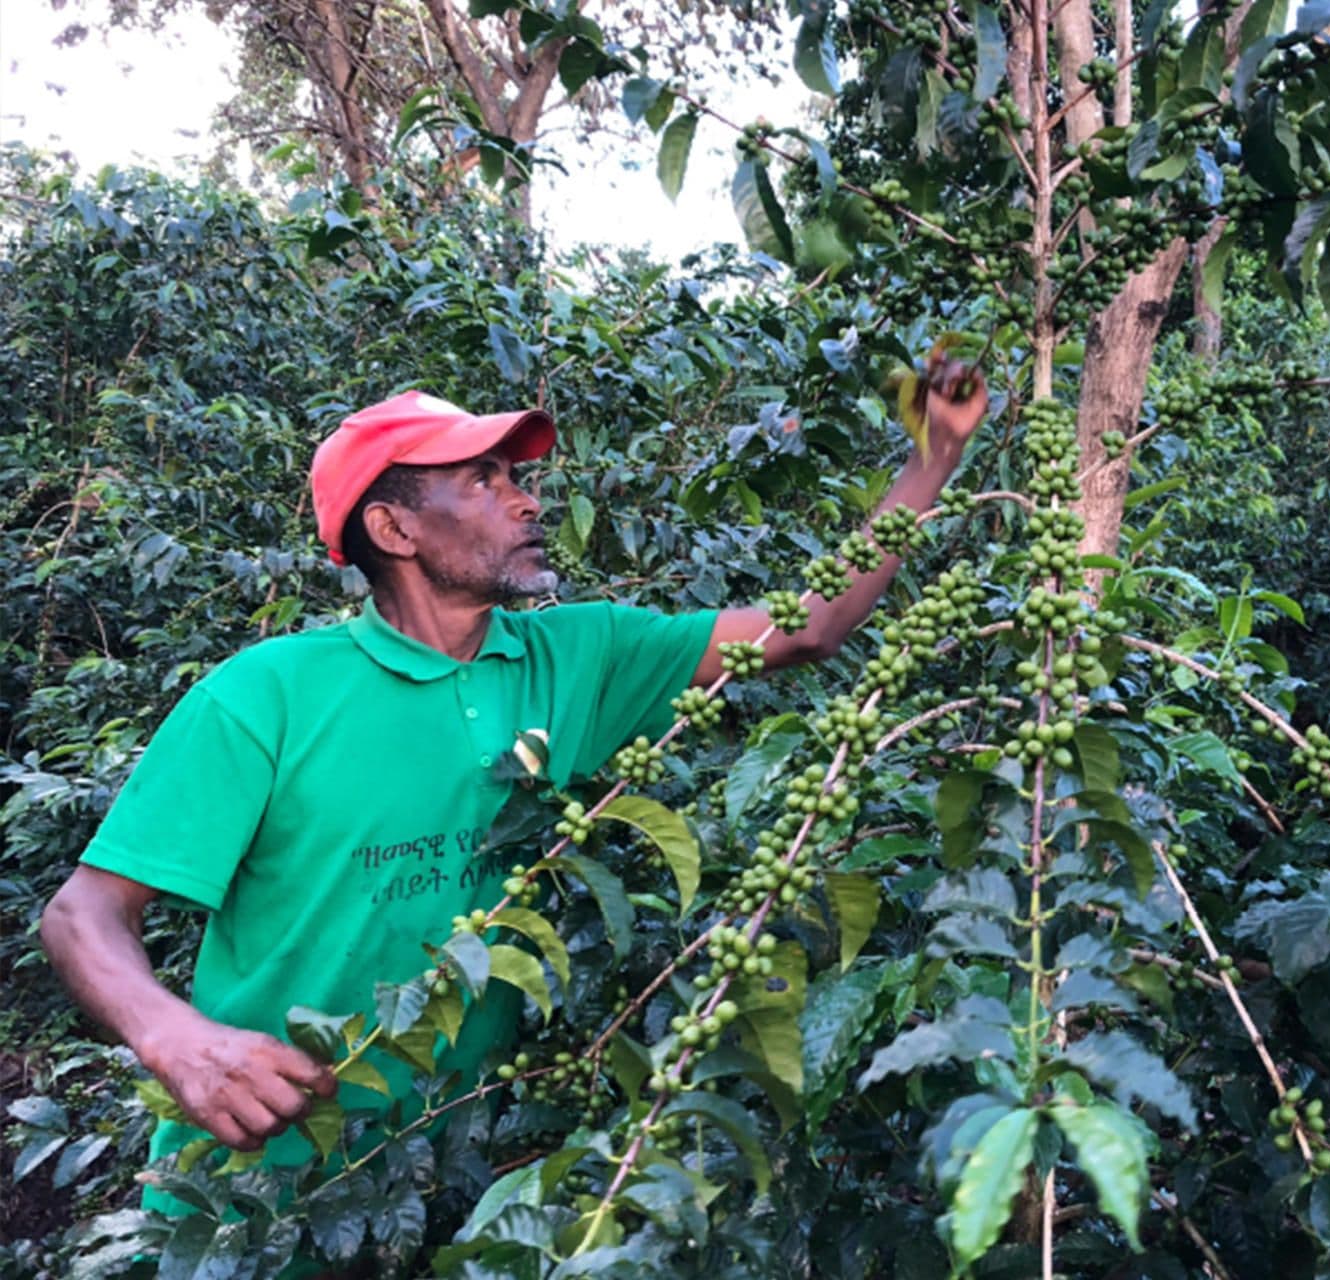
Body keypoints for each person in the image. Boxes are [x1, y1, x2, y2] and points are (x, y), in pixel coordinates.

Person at [39, 365, 987, 1199]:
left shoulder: (581, 654)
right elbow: (85, 914)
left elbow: (807, 628)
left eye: (519, 477)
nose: (526, 500)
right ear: (393, 526)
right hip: (257, 1184)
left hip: (460, 1165)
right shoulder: (265, 696)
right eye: (483, 479)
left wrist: (932, 459)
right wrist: (174, 1037)